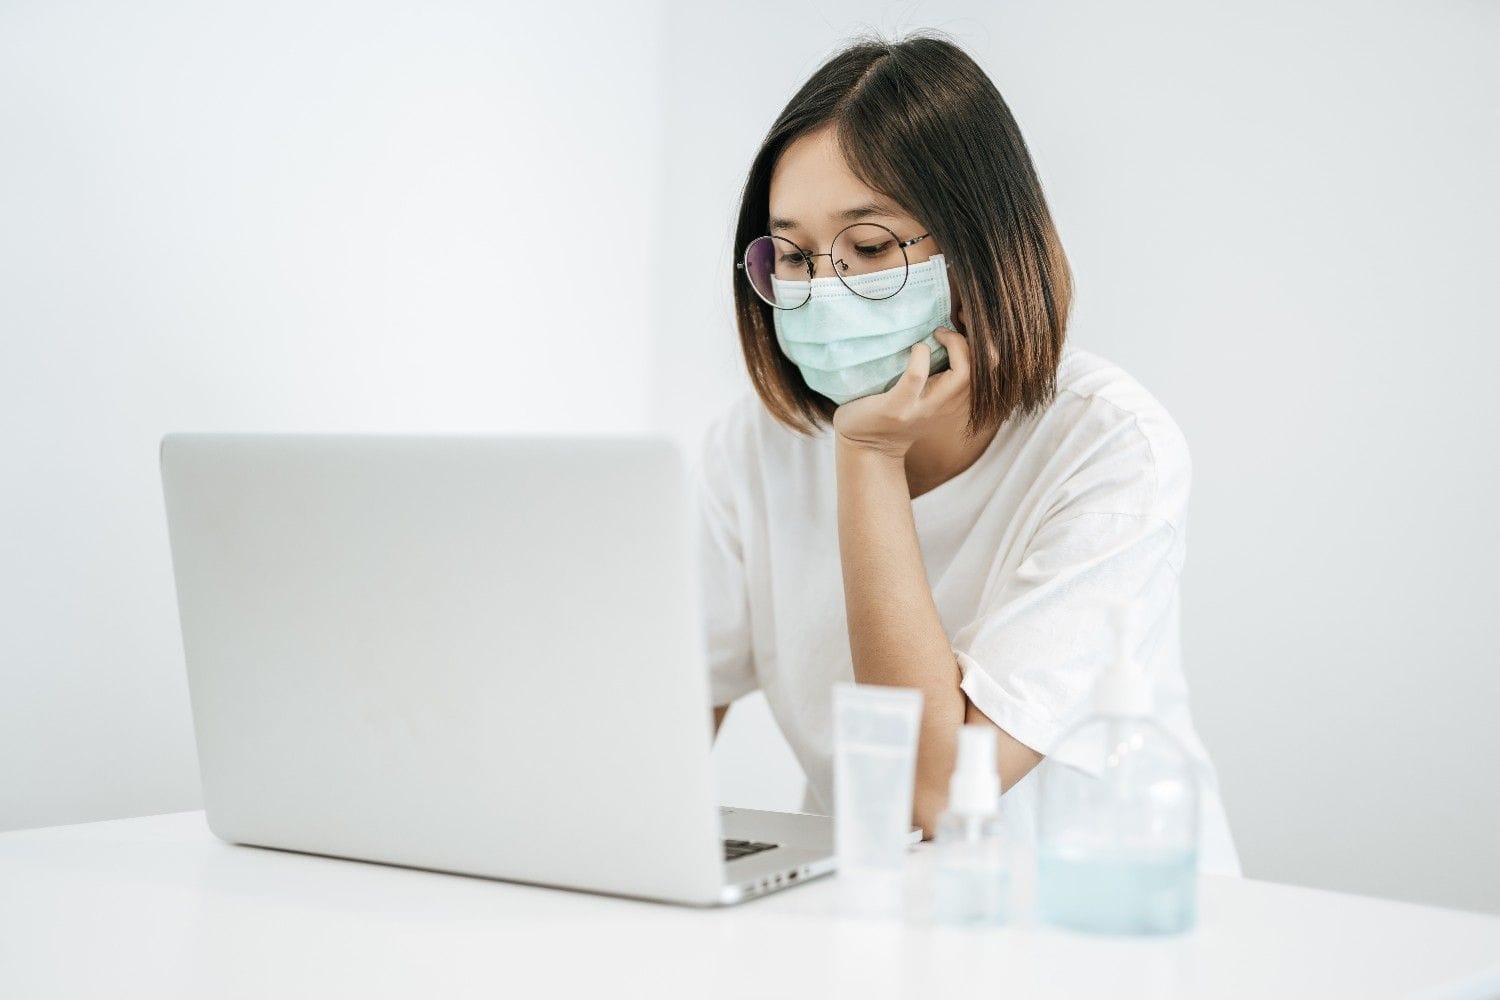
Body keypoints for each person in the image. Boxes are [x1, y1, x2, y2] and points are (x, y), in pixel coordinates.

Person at [696, 31, 1240, 875]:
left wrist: (870, 455)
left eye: (870, 248)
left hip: (1099, 924)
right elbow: (665, 723)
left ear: (982, 246)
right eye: (794, 256)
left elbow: (936, 795)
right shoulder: (756, 443)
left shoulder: (1110, 446)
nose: (821, 291)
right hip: (872, 915)